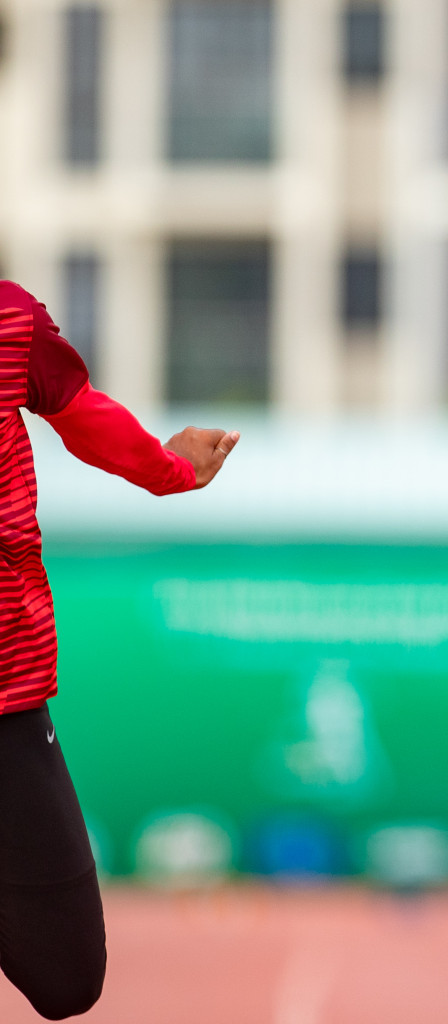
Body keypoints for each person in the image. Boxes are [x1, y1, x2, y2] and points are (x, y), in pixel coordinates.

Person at [0, 281, 238, 1018]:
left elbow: (78, 409)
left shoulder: (9, 319)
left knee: (70, 976)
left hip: (6, 686)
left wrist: (171, 472)